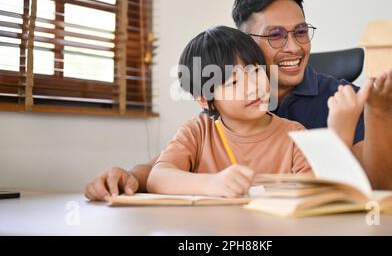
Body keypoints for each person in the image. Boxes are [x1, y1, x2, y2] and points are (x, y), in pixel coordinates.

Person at [85, 0, 392, 201]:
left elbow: (370, 188)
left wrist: (379, 110)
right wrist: (129, 177)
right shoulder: (222, 110)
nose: (293, 46)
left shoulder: (342, 101)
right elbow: (173, 166)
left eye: (301, 31)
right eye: (276, 35)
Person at [147, 26, 370, 197]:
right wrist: (212, 183)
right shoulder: (197, 132)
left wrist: (340, 136)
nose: (253, 86)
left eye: (255, 71)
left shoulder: (295, 135)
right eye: (234, 82)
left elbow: (320, 195)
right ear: (205, 100)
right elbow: (157, 178)